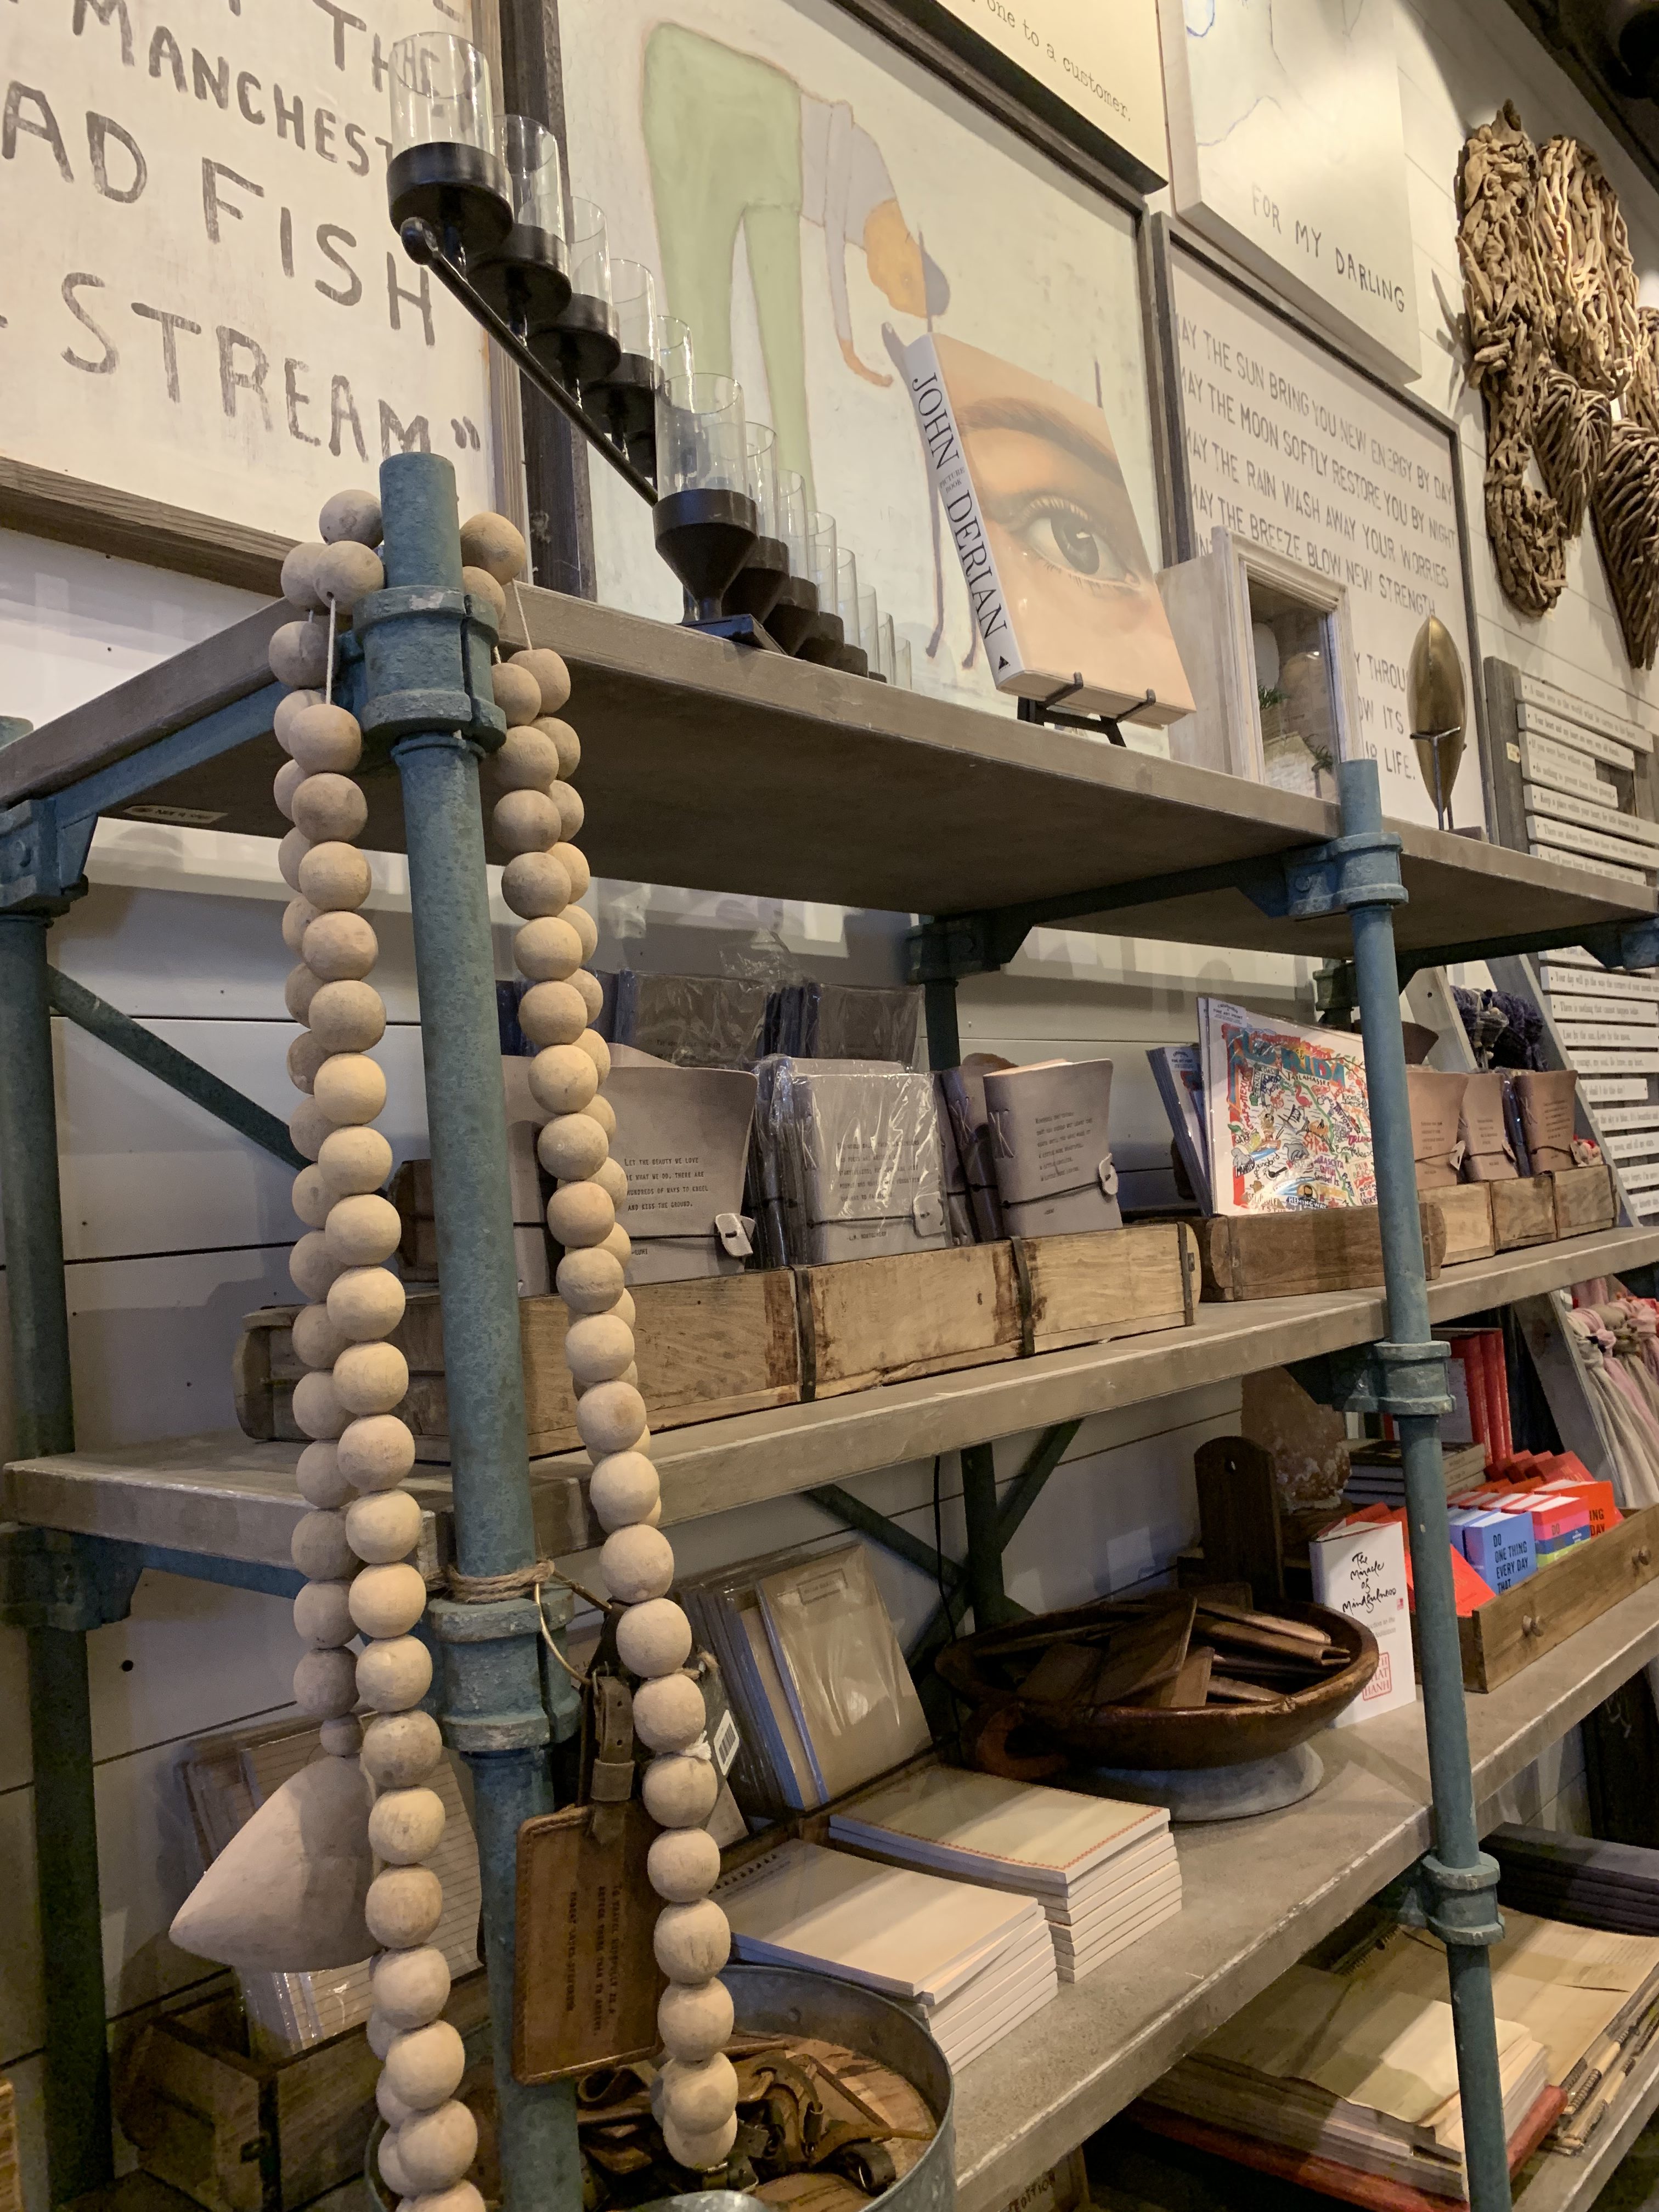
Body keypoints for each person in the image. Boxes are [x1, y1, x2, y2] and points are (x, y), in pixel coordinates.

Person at [641, 23, 949, 509]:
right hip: (766, 122)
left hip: (781, 178)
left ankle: (768, 505)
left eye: (895, 294)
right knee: (705, 317)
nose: (886, 283)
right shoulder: (878, 186)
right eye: (904, 279)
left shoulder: (873, 224)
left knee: (779, 367)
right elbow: (832, 214)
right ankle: (713, 482)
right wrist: (847, 344)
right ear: (915, 254)